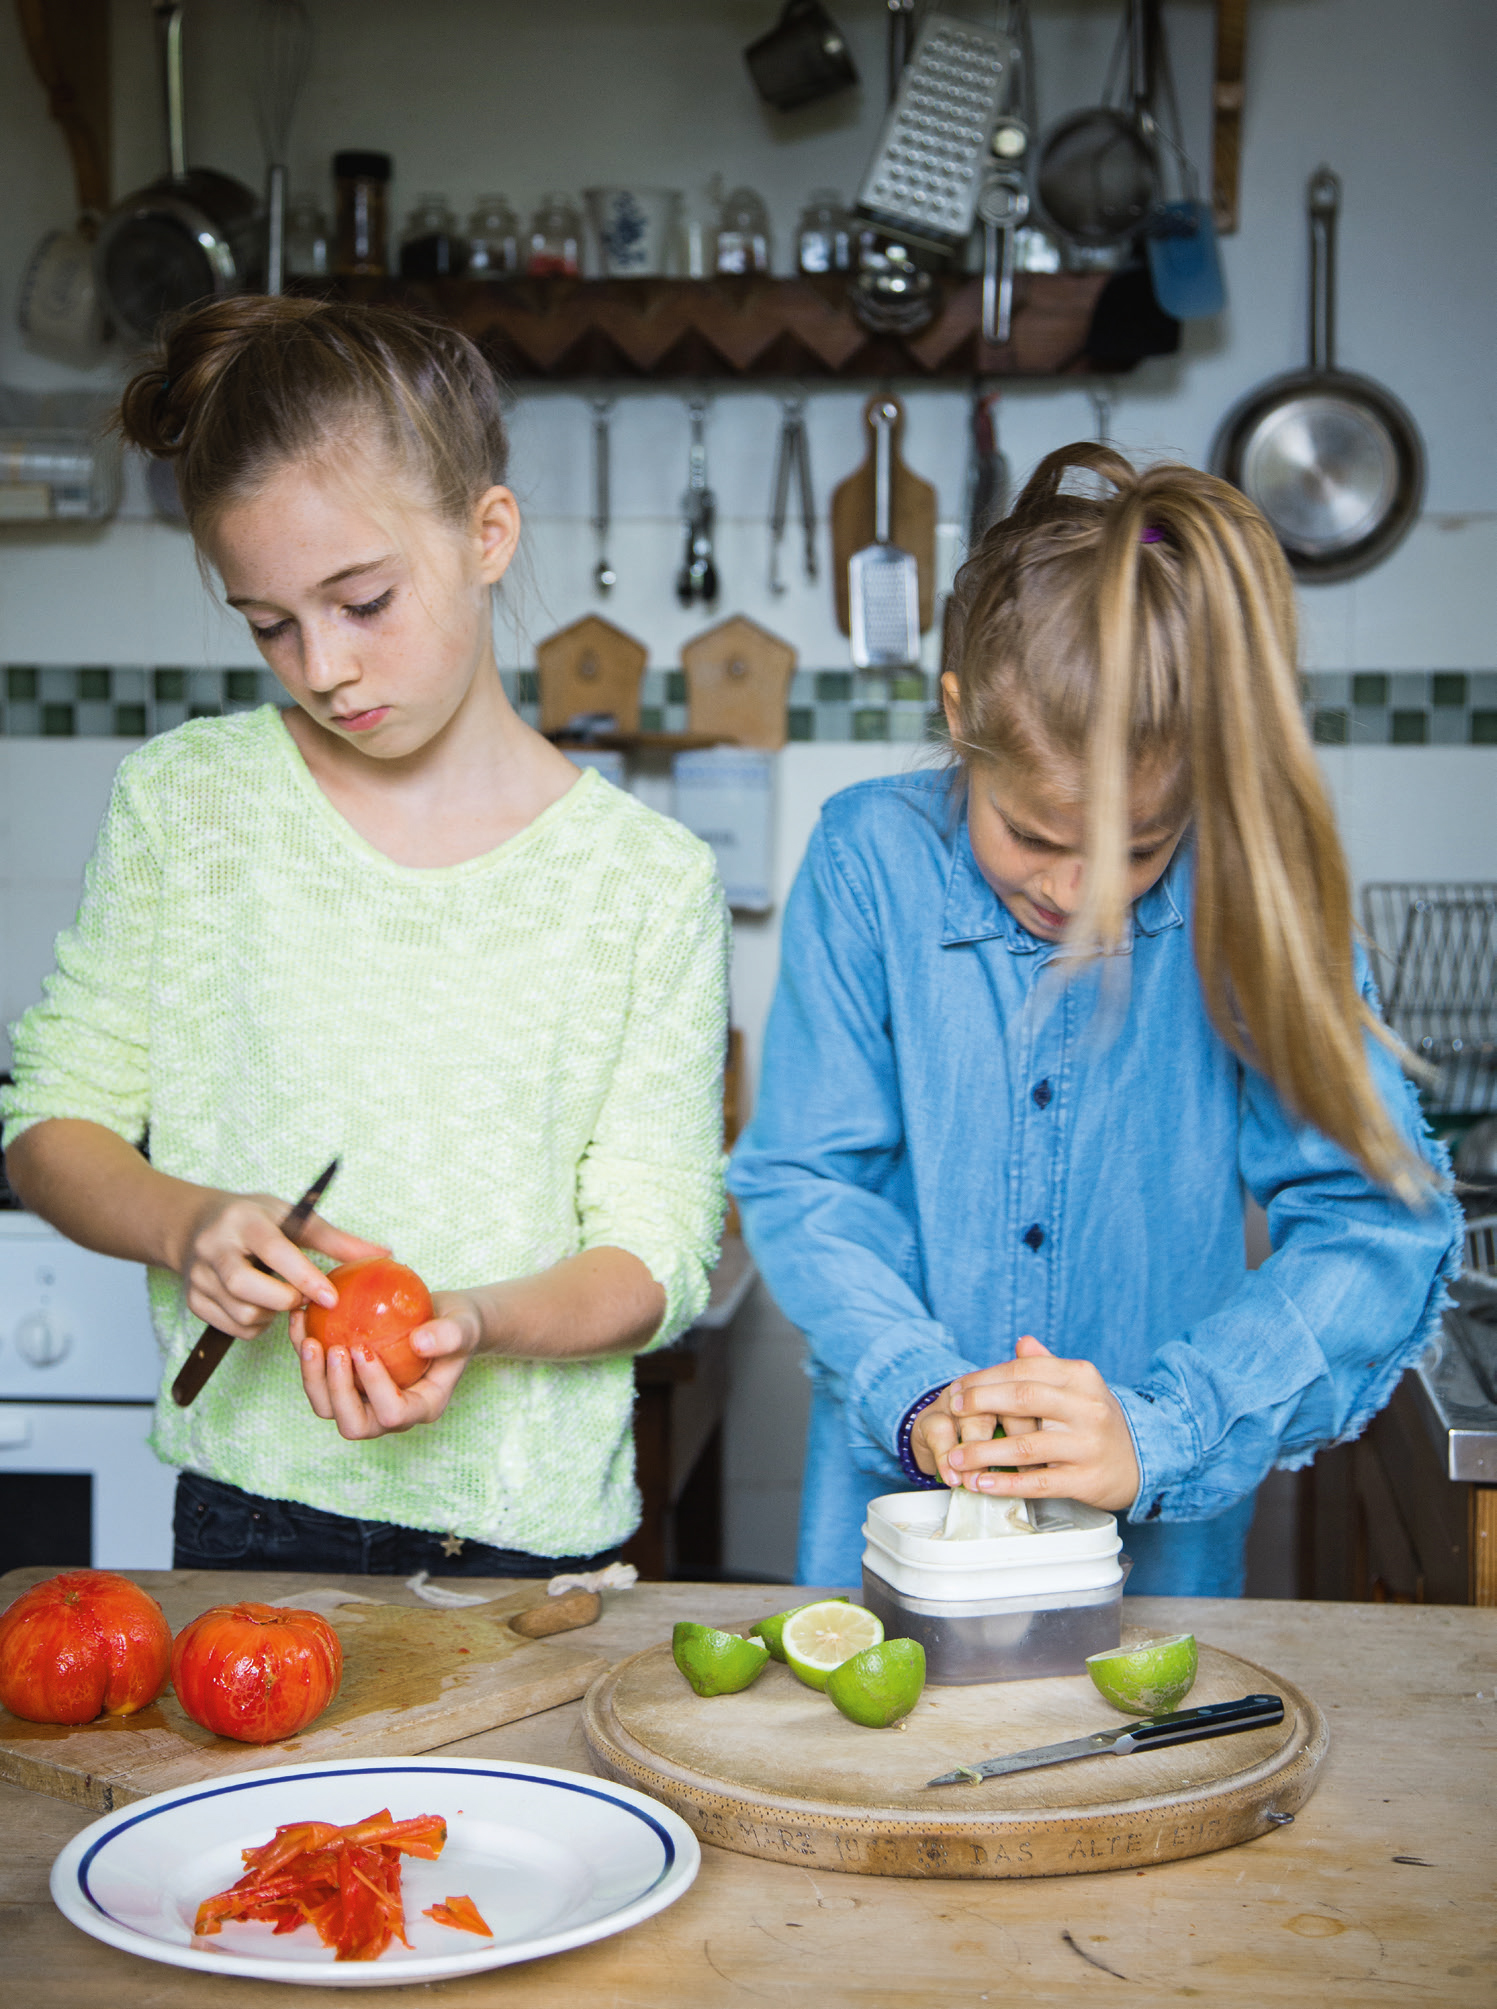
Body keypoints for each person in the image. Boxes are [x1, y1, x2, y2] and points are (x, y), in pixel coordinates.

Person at [2, 296, 729, 1578]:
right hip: (246, 1512)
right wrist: (187, 1223)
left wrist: (474, 1323)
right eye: (270, 623)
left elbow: (658, 1252)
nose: (323, 666)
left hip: (528, 1534)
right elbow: (51, 1121)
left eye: (363, 600)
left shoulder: (644, 882)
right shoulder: (191, 808)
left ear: (486, 532)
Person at [730, 443, 1460, 1596]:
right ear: (962, 718)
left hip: (1154, 1561)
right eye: (1034, 836)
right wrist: (919, 1391)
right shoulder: (868, 858)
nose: (1077, 891)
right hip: (900, 1522)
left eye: (1136, 849)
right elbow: (807, 1184)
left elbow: (1377, 1224)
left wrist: (1164, 1426)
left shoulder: (1242, 888)